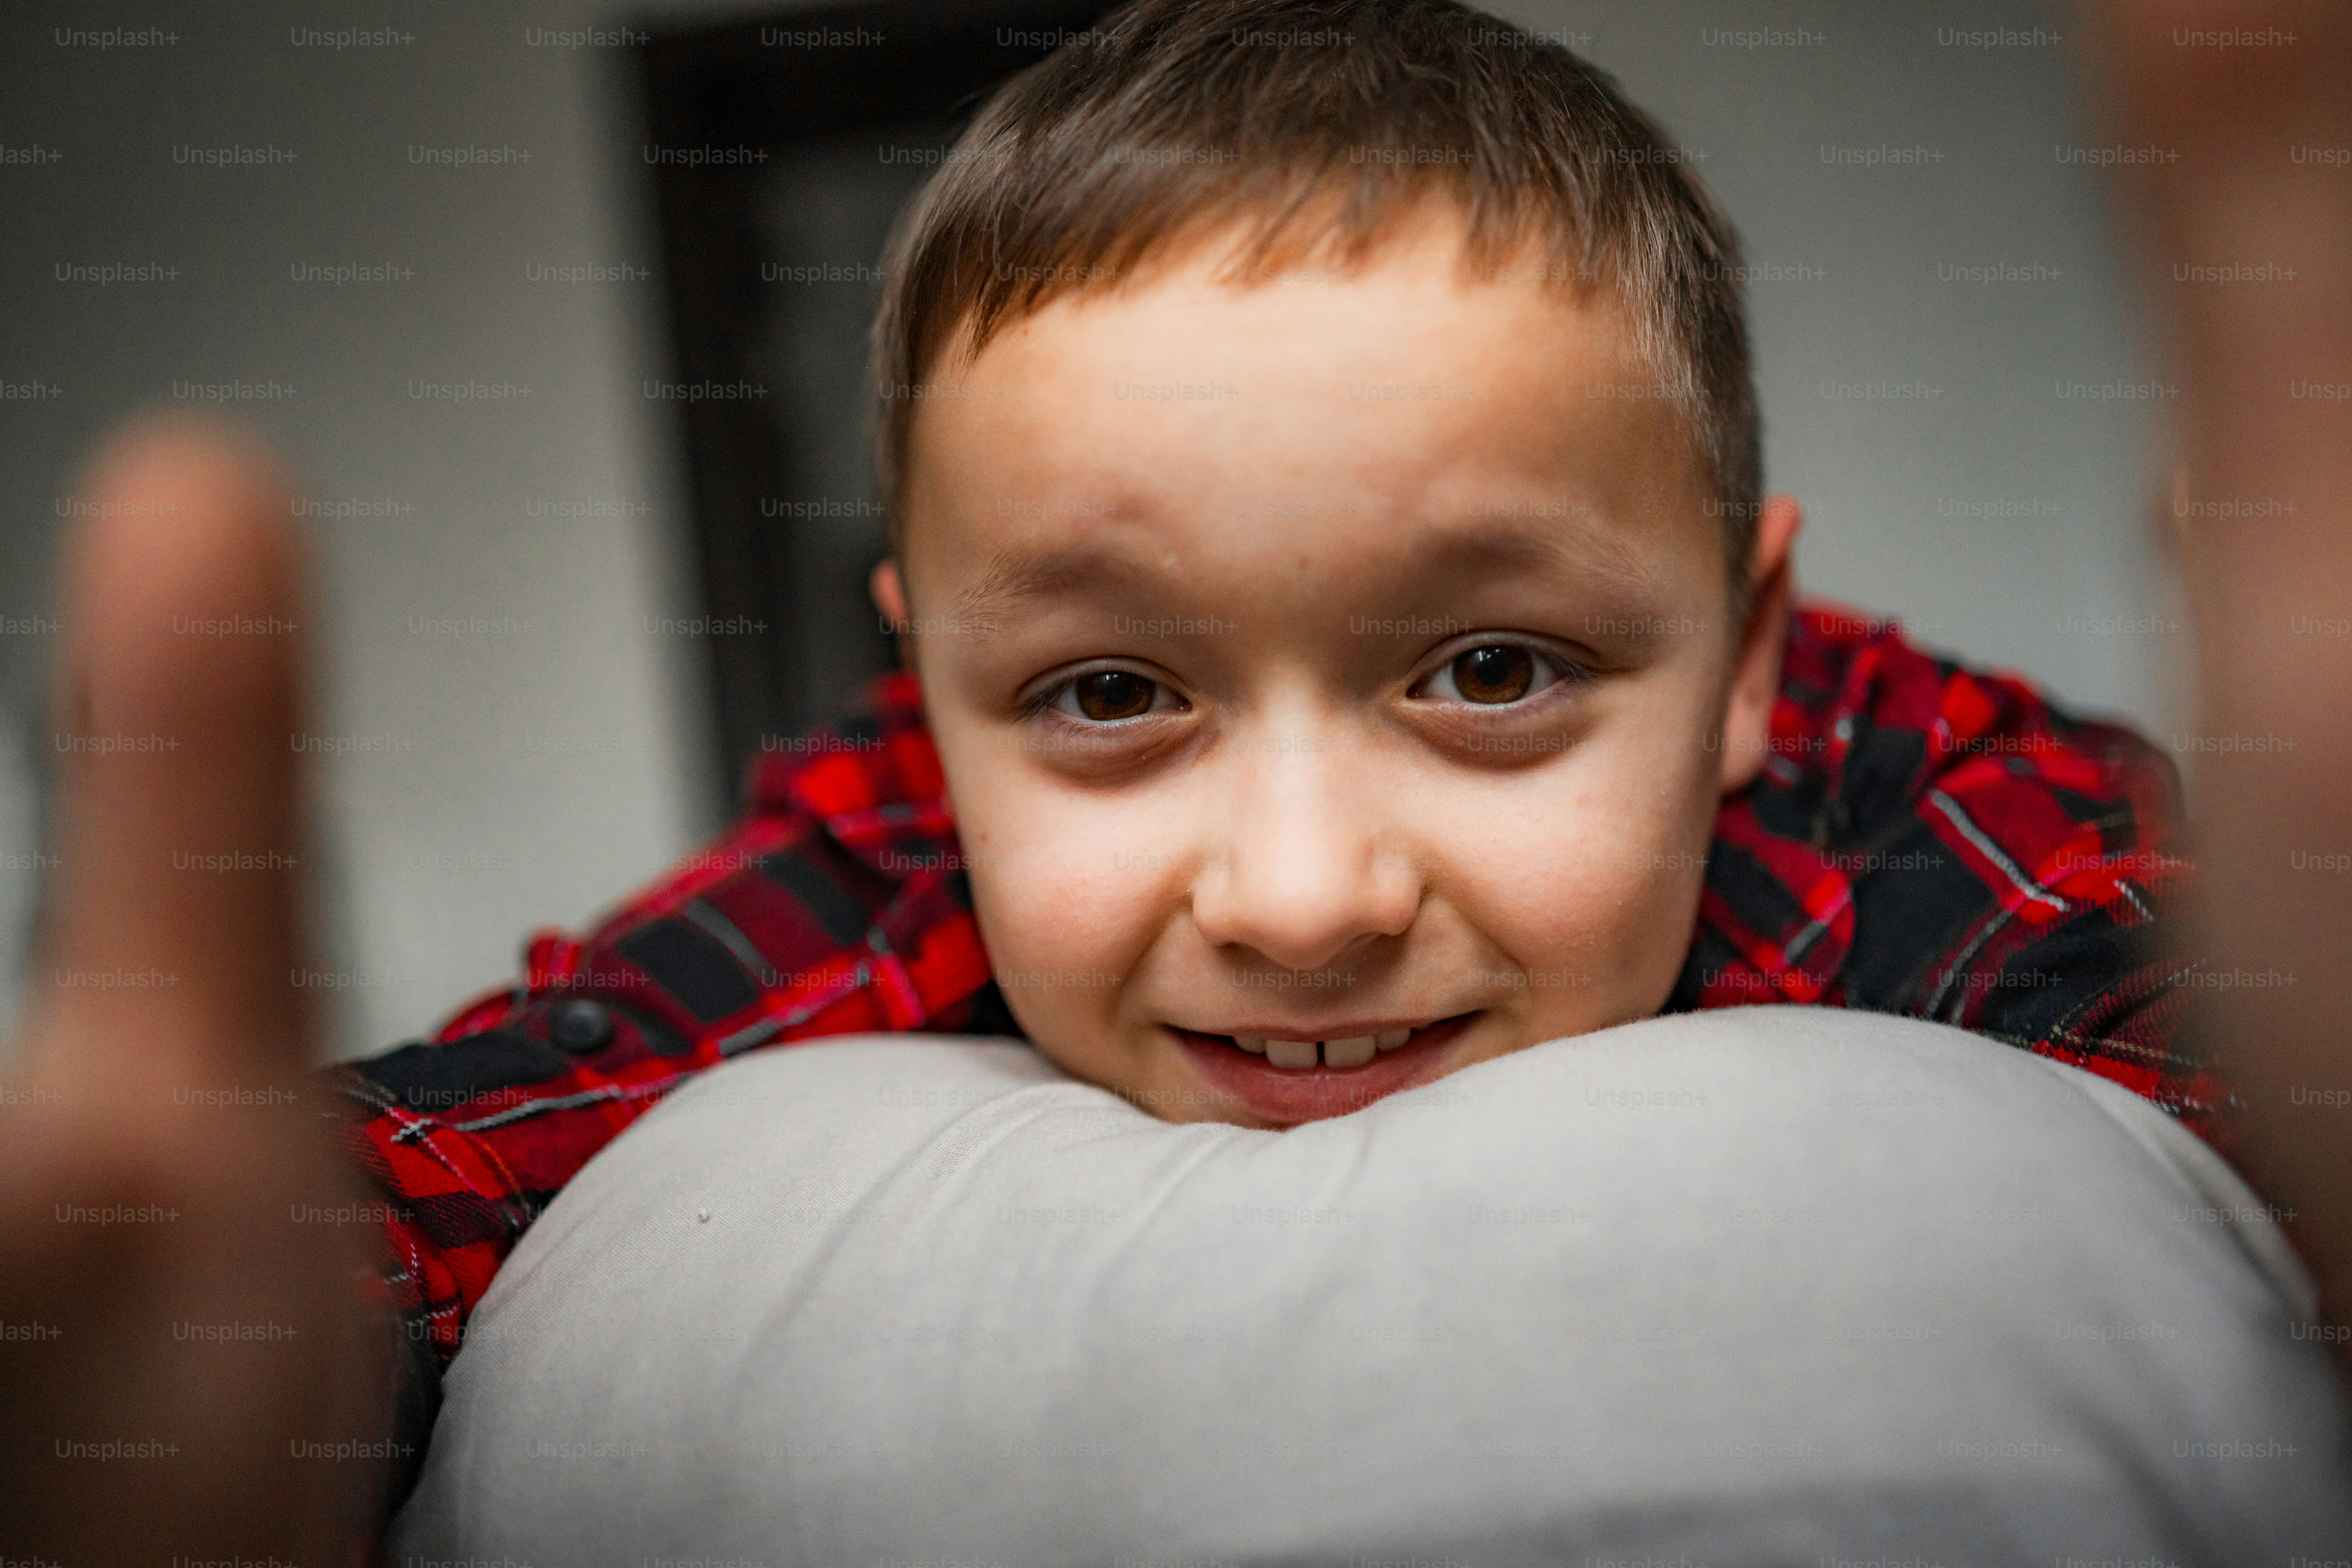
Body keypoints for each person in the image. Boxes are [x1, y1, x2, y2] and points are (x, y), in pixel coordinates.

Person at [1, 0, 2343, 1560]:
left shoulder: (1914, 793)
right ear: (931, 698)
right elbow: (517, 1107)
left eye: (1495, 667)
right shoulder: (900, 829)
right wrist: (244, 1339)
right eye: (1116, 697)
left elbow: (2229, 1067)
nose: (1303, 895)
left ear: (1745, 655)